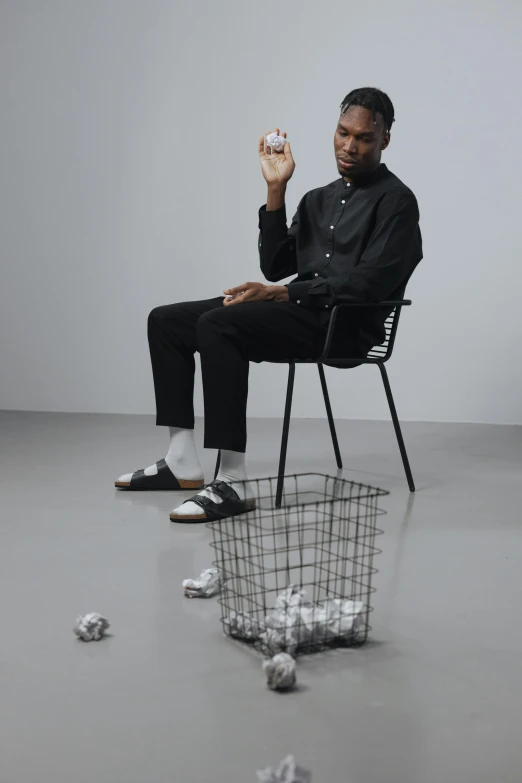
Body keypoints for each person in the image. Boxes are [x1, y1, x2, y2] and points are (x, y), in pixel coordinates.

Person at [115, 86, 423, 522]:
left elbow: (369, 285)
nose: (349, 146)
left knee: (220, 324)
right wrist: (276, 189)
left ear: (384, 140)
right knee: (168, 321)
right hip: (298, 311)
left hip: (343, 327)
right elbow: (276, 265)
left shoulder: (397, 203)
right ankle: (181, 461)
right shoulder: (317, 198)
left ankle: (232, 484)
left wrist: (284, 294)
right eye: (342, 133)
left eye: (364, 138)